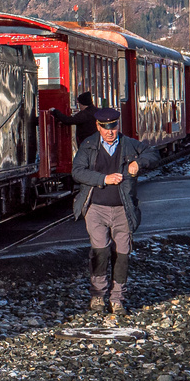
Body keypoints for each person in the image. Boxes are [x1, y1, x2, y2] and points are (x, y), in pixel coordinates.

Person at [70, 107, 160, 315]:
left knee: (122, 254)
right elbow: (77, 172)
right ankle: (98, 296)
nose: (110, 131)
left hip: (123, 208)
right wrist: (104, 179)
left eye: (114, 126)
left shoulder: (129, 144)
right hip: (96, 208)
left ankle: (117, 298)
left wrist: (139, 162)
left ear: (118, 125)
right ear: (98, 127)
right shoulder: (89, 145)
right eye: (105, 127)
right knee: (100, 250)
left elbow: (153, 153)